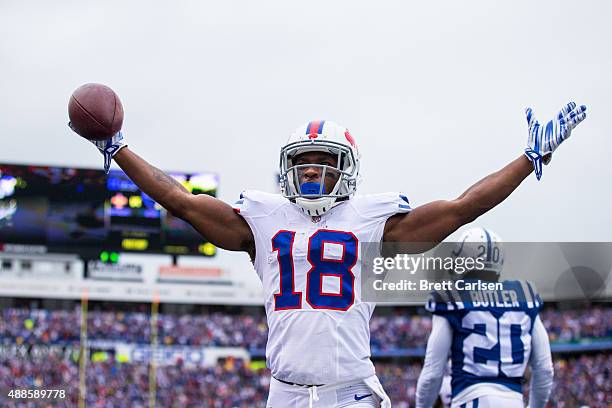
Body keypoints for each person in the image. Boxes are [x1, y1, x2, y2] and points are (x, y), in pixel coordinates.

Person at [70, 102, 585, 407]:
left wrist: (528, 159)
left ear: (347, 170)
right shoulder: (262, 219)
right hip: (285, 392)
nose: (312, 171)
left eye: (324, 162)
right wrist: (118, 149)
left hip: (352, 392)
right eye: (304, 162)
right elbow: (180, 200)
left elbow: (463, 207)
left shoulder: (373, 220)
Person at [415, 228, 554, 408]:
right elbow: (544, 369)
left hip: (470, 399)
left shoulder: (452, 297)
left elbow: (433, 373)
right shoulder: (524, 296)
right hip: (514, 401)